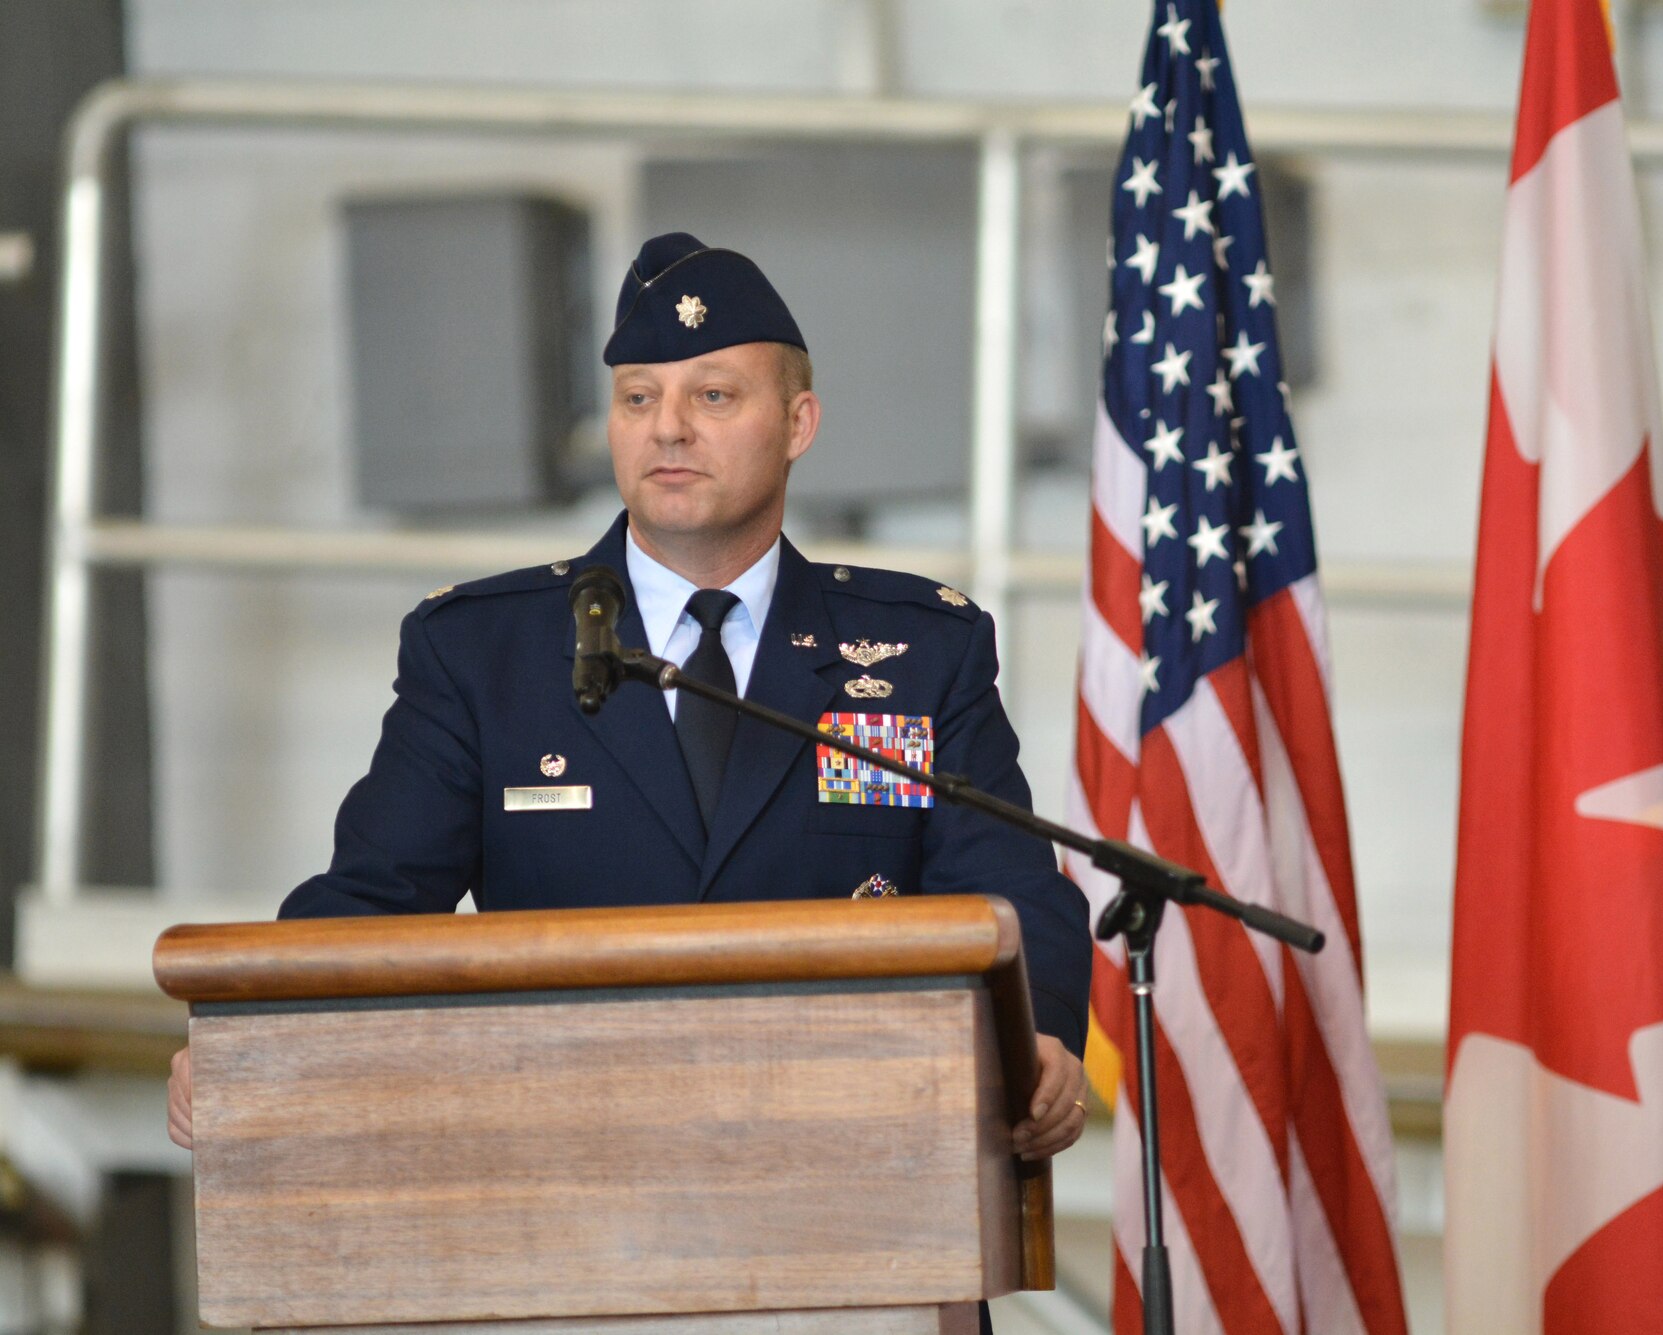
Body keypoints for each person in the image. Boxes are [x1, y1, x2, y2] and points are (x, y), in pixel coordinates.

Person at [167, 233, 1092, 1177]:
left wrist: (1044, 1035)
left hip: (859, 1163)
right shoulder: (485, 651)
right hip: (565, 1174)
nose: (669, 428)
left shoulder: (921, 651)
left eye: (714, 395)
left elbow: (1011, 894)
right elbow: (373, 897)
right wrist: (249, 1027)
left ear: (799, 422)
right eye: (639, 398)